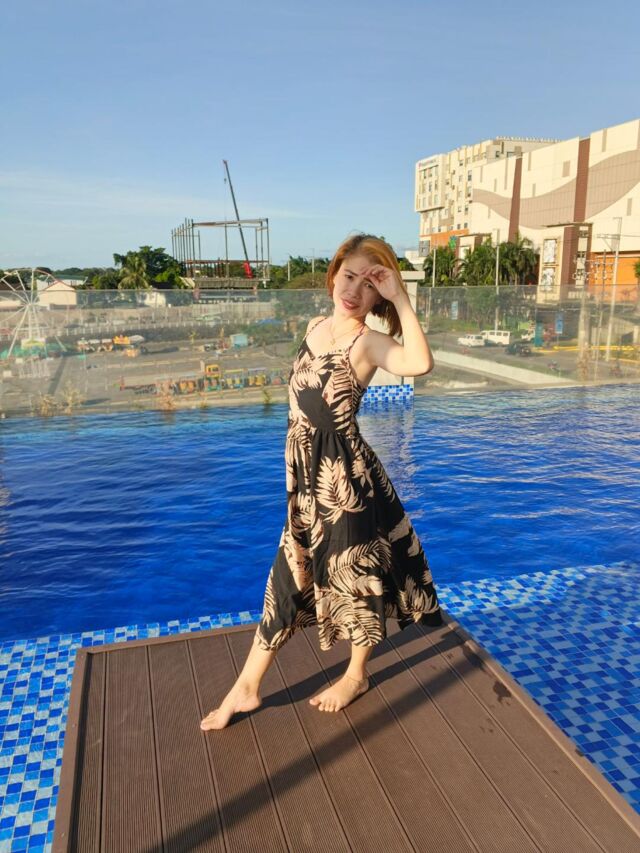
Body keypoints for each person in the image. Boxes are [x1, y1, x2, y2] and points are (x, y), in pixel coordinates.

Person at [201, 234, 443, 730]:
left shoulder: (367, 342)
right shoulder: (315, 326)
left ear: (378, 295)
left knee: (356, 578)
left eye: (369, 284)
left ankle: (356, 675)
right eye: (349, 276)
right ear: (333, 276)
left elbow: (419, 363)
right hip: (306, 483)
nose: (354, 291)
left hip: (345, 482)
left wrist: (400, 297)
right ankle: (247, 687)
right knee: (287, 578)